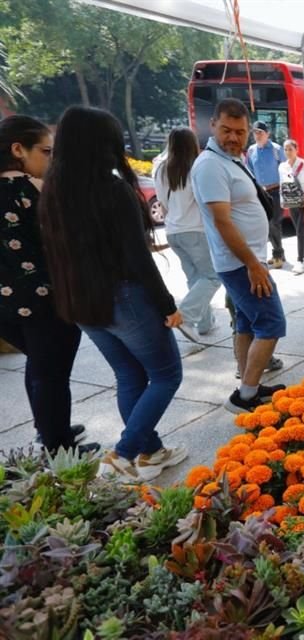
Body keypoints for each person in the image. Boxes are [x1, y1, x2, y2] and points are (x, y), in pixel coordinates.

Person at [39, 106, 186, 481]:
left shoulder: (52, 189)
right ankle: (122, 454)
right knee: (166, 374)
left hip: (82, 303)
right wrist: (166, 305)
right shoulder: (112, 189)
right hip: (125, 298)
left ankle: (151, 452)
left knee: (129, 376)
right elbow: (137, 257)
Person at [0, 115, 99, 455]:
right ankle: (58, 448)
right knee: (52, 375)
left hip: (7, 307)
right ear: (18, 150)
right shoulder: (31, 189)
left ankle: (49, 429)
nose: (51, 160)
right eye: (45, 151)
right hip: (46, 300)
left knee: (39, 368)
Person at [192, 99, 287, 414]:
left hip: (246, 261)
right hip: (240, 264)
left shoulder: (230, 158)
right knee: (272, 323)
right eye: (226, 130)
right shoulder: (210, 165)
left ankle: (250, 385)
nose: (233, 137)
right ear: (212, 126)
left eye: (240, 131)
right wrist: (252, 265)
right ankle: (245, 397)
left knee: (247, 323)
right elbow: (222, 220)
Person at [153, 128, 221, 343]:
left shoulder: (161, 168)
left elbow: (162, 203)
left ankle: (205, 324)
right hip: (195, 231)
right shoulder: (195, 168)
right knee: (212, 276)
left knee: (195, 277)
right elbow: (204, 202)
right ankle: (186, 317)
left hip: (173, 231)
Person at [246, 121, 285, 269]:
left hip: (276, 191)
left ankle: (278, 255)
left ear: (267, 134)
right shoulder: (251, 151)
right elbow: (249, 171)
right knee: (266, 225)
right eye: (255, 132)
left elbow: (286, 169)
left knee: (273, 223)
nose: (257, 135)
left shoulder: (276, 149)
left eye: (260, 132)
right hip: (260, 193)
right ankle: (279, 253)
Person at [278, 139, 304, 275]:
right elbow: (282, 184)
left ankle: (300, 261)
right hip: (291, 202)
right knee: (300, 230)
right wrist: (282, 201)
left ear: (296, 149)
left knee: (300, 230)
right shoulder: (282, 166)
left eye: (290, 149)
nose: (287, 152)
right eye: (285, 149)